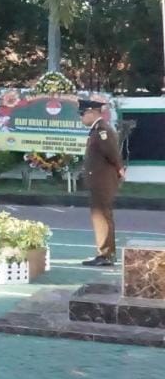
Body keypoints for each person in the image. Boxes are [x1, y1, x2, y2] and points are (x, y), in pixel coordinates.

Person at [80, 99, 125, 267]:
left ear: (92, 112)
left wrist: (120, 170)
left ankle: (105, 254)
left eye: (82, 114)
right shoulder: (97, 130)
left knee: (102, 216)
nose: (81, 118)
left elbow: (112, 153)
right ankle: (105, 253)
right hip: (99, 181)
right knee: (101, 216)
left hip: (102, 181)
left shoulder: (101, 130)